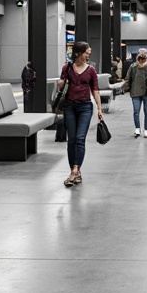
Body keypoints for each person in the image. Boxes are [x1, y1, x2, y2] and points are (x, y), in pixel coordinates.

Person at [59, 41, 104, 186]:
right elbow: (62, 84)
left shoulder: (91, 70)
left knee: (80, 138)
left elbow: (95, 90)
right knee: (71, 140)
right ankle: (75, 171)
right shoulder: (67, 68)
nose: (88, 56)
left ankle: (75, 171)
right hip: (69, 106)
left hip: (85, 107)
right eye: (86, 53)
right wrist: (61, 83)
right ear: (78, 53)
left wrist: (99, 108)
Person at [123, 49, 147, 137]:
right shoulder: (133, 66)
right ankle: (137, 128)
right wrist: (125, 88)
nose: (142, 57)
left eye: (144, 55)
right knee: (136, 111)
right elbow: (128, 78)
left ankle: (146, 129)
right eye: (140, 55)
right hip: (135, 92)